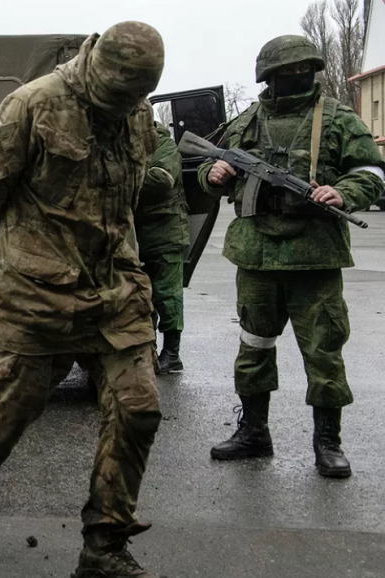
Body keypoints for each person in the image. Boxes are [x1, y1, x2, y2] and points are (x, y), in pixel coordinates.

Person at [0, 22, 166, 577]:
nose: (126, 104)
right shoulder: (31, 106)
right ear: (97, 65)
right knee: (16, 404)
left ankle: (104, 543)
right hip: (37, 290)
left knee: (138, 409)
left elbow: (132, 188)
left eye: (136, 95)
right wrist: (31, 250)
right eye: (118, 92)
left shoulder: (136, 111)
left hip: (114, 286)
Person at [202, 35, 385, 479]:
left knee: (323, 351)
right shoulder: (248, 120)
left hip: (315, 257)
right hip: (257, 255)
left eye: (302, 70)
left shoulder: (338, 117)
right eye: (286, 72)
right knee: (254, 345)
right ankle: (254, 432)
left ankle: (328, 442)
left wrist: (343, 192)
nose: (295, 78)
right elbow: (211, 174)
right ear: (268, 76)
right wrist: (216, 173)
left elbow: (372, 171)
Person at [134, 122, 188, 374]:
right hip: (137, 237)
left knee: (167, 296)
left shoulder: (164, 144)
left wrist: (125, 173)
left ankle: (172, 353)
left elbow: (162, 179)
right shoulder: (124, 144)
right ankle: (149, 350)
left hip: (167, 233)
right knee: (141, 298)